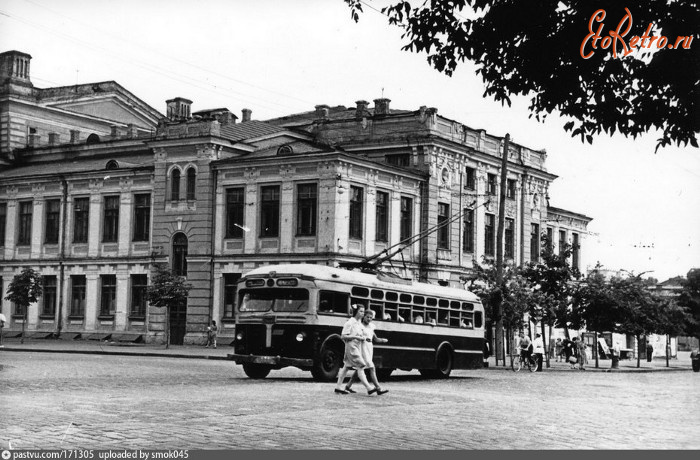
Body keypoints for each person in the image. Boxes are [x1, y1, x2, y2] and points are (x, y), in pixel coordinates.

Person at [345, 309, 389, 395]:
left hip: (369, 347)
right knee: (371, 367)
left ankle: (348, 386)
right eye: (367, 317)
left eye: (371, 318)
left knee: (360, 368)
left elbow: (375, 338)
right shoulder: (359, 326)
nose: (369, 319)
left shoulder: (372, 326)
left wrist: (382, 340)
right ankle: (378, 388)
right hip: (362, 347)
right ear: (363, 317)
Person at [334, 305, 375, 395]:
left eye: (363, 311)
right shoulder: (349, 323)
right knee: (361, 365)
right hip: (351, 346)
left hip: (357, 346)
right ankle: (369, 387)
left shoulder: (358, 323)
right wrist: (356, 337)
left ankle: (338, 387)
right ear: (356, 312)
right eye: (361, 311)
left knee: (346, 366)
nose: (363, 313)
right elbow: (343, 336)